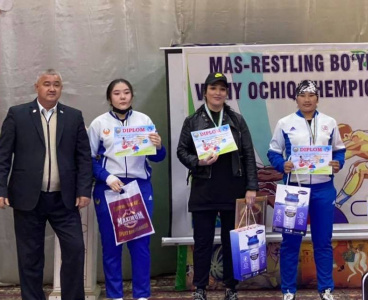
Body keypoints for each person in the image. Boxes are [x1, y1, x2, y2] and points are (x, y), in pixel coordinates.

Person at [0, 69, 92, 300]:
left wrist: (83, 190)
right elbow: (3, 155)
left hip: (65, 198)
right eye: (47, 84)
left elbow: (83, 157)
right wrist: (0, 188)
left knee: (75, 249)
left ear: (61, 88)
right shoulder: (17, 114)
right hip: (27, 198)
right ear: (37, 87)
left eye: (57, 84)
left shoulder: (73, 116)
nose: (52, 88)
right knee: (30, 256)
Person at [177, 72, 258, 300]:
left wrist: (251, 186)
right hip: (204, 189)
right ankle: (200, 288)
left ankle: (231, 288)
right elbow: (181, 151)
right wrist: (198, 161)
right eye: (213, 88)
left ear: (226, 94)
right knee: (202, 242)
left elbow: (249, 155)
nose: (218, 93)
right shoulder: (193, 120)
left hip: (233, 189)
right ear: (205, 92)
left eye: (222, 89)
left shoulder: (237, 120)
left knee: (231, 241)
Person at [87, 78, 166, 300]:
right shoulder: (99, 124)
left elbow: (157, 157)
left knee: (140, 245)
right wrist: (106, 176)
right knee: (111, 246)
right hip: (109, 187)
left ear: (132, 95)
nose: (122, 97)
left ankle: (141, 295)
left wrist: (159, 145)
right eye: (117, 93)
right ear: (109, 97)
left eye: (126, 92)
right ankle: (115, 296)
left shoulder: (143, 120)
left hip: (139, 187)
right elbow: (88, 158)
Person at [267, 80, 346, 300]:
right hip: (294, 188)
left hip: (323, 188)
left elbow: (339, 151)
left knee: (323, 241)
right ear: (296, 99)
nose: (307, 99)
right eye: (303, 95)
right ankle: (289, 290)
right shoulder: (285, 123)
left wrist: (339, 163)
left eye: (311, 95)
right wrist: (282, 165)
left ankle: (326, 289)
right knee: (290, 242)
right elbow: (273, 152)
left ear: (317, 98)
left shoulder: (329, 122)